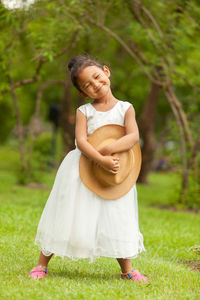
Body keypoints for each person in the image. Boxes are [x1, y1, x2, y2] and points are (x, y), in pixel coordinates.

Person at [29, 54, 148, 283]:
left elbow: (133, 136)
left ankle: (127, 269)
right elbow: (82, 142)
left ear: (106, 71)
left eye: (97, 77)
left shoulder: (126, 108)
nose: (96, 85)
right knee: (67, 212)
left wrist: (111, 149)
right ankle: (42, 264)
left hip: (115, 170)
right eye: (88, 85)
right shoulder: (84, 112)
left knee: (117, 213)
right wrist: (100, 158)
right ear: (83, 93)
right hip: (82, 169)